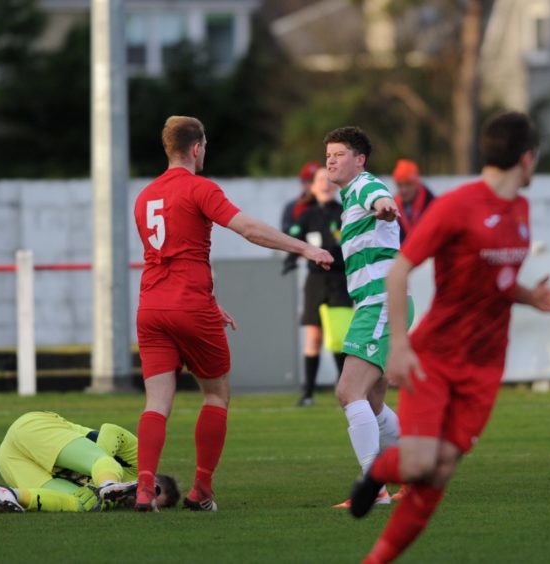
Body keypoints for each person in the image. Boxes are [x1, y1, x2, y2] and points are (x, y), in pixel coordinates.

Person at [349, 111, 550, 563]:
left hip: (484, 366)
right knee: (422, 461)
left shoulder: (520, 210)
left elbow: (498, 281)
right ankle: (378, 474)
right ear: (527, 159)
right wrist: (401, 347)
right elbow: (400, 269)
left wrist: (529, 296)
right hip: (437, 357)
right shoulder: (456, 206)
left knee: (440, 469)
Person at [131, 116, 334, 512]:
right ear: (195, 148)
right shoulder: (199, 188)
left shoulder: (146, 196)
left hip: (151, 306)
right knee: (217, 393)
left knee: (157, 401)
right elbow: (249, 229)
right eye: (204, 145)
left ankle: (143, 489)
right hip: (189, 305)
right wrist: (305, 249)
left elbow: (169, 256)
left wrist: (209, 300)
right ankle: (201, 489)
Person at [323, 126, 412, 509]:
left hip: (379, 302)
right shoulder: (349, 196)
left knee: (348, 392)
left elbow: (379, 197)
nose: (331, 159)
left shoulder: (363, 185)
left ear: (359, 160)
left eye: (339, 153)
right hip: (377, 303)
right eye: (328, 154)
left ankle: (374, 486)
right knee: (371, 404)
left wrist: (384, 206)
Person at [0, 411, 180, 513]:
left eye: (141, 503)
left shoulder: (110, 502)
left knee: (81, 503)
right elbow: (111, 430)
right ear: (151, 478)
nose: (137, 499)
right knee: (107, 464)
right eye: (150, 492)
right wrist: (105, 479)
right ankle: (109, 484)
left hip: (9, 459)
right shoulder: (140, 460)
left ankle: (9, 495)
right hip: (34, 428)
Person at [283, 166, 353, 406]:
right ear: (312, 186)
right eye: (319, 180)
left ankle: (345, 388)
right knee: (313, 336)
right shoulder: (307, 215)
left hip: (339, 280)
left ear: (334, 184)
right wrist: (291, 260)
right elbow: (295, 240)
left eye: (328, 179)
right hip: (315, 281)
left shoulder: (344, 213)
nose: (324, 184)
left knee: (339, 337)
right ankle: (308, 394)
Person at [391, 159, 435, 243]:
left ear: (416, 184)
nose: (404, 190)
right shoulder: (393, 207)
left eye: (408, 184)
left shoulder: (432, 204)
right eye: (400, 185)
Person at [281, 161, 321, 234]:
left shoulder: (331, 207)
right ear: (302, 183)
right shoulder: (292, 207)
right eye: (309, 181)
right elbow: (286, 233)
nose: (312, 185)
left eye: (315, 181)